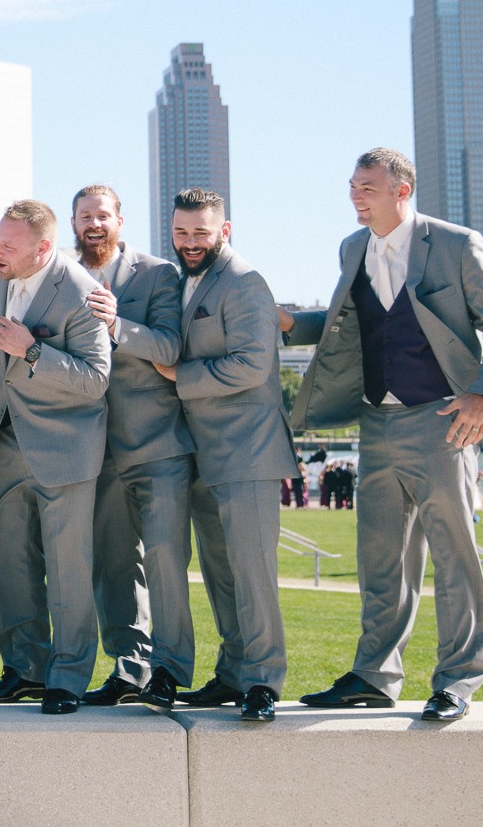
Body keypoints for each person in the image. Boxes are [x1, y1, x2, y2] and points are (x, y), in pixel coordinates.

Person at [285, 147, 483, 722]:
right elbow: (354, 319)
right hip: (377, 421)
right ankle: (374, 674)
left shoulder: (456, 243)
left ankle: (458, 680)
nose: (355, 195)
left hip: (446, 418)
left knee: (455, 553)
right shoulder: (352, 248)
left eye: (367, 186)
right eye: (352, 185)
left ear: (401, 190)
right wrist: (293, 322)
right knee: (381, 558)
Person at [0, 199, 112, 715]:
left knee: (68, 569)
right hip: (2, 438)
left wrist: (32, 351)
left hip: (66, 448)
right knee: (8, 564)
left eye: (9, 245)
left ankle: (67, 677)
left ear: (44, 248)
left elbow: (95, 381)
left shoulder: (83, 293)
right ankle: (23, 668)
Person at [157, 189, 298, 723]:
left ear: (225, 231)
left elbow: (253, 366)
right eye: (181, 233)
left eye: (201, 233)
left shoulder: (245, 282)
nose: (190, 243)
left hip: (248, 453)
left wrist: (179, 376)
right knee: (220, 574)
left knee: (252, 572)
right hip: (200, 453)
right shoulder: (185, 281)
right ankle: (235, 671)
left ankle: (263, 681)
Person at [66, 185, 194, 713]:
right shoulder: (61, 276)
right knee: (113, 566)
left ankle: (170, 670)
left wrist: (117, 322)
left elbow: (169, 347)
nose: (93, 225)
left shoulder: (158, 274)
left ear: (120, 220)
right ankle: (130, 666)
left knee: (165, 558)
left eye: (102, 216)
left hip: (156, 443)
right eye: (84, 217)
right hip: (92, 450)